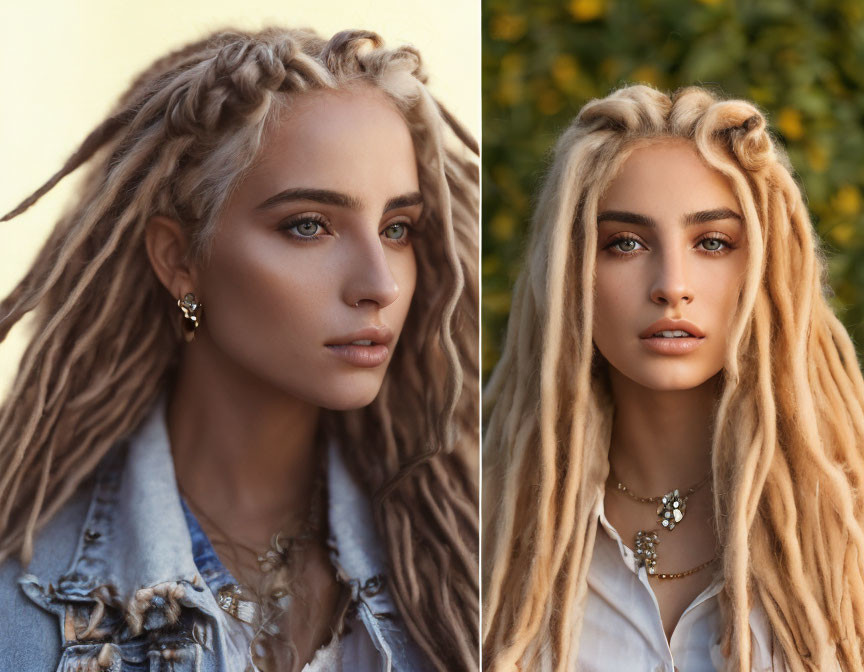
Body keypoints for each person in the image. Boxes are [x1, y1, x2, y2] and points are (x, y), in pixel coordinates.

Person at [0, 27, 479, 672]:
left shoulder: (463, 567)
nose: (381, 284)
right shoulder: (20, 602)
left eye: (397, 229)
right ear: (179, 259)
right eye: (308, 225)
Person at [482, 85, 864, 671]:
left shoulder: (847, 531)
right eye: (625, 243)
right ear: (569, 269)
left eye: (712, 242)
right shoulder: (483, 534)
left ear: (767, 268)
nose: (672, 284)